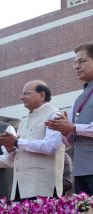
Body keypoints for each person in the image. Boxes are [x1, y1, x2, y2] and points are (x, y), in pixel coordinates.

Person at [0, 80, 65, 200]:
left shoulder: (55, 115)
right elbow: (14, 158)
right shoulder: (23, 121)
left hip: (42, 186)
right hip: (20, 186)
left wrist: (16, 142)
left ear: (42, 95)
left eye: (26, 93)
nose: (22, 97)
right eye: (21, 94)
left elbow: (51, 146)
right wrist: (10, 147)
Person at [45, 44, 93, 195]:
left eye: (82, 61)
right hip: (80, 172)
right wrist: (62, 129)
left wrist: (72, 127)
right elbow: (69, 141)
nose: (77, 67)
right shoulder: (78, 99)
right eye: (75, 63)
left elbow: (74, 128)